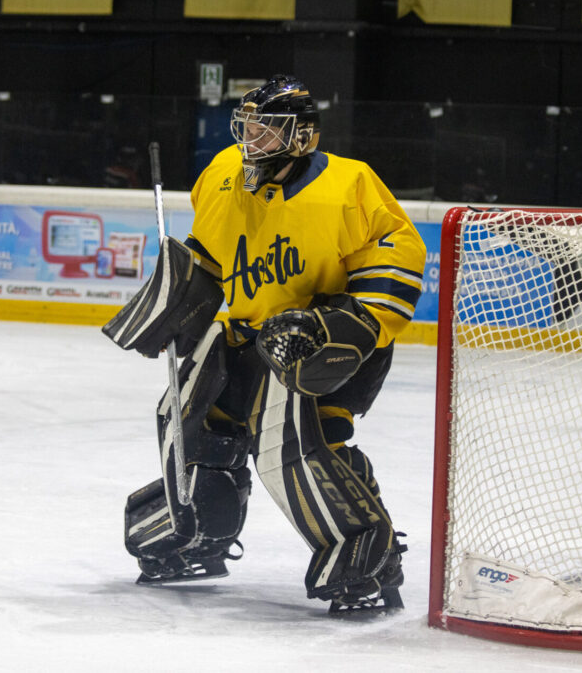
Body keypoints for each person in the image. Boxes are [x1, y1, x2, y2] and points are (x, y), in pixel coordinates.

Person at [104, 74, 426, 613]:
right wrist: (177, 297)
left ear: (302, 135)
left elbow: (394, 260)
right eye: (248, 126)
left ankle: (369, 554)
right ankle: (201, 535)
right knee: (188, 424)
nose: (252, 139)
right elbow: (209, 254)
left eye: (268, 129)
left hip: (326, 342)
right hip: (249, 333)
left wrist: (337, 326)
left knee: (298, 446)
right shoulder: (224, 174)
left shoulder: (349, 185)